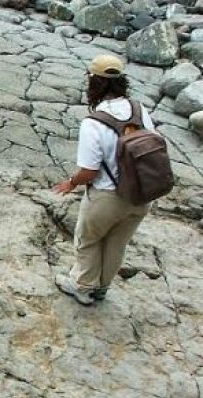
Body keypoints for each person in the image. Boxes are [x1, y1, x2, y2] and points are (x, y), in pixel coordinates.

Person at [52, 55, 155, 305]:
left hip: (108, 197)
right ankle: (102, 288)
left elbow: (89, 171)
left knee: (88, 239)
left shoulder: (94, 122)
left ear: (94, 83)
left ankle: (82, 287)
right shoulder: (139, 109)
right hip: (142, 195)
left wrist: (71, 182)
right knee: (117, 243)